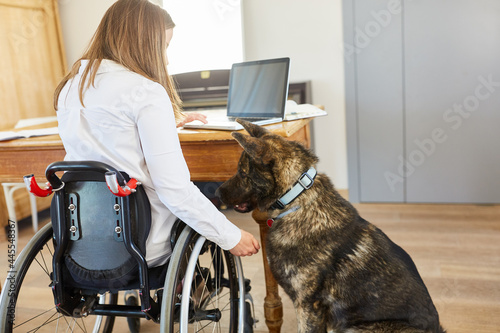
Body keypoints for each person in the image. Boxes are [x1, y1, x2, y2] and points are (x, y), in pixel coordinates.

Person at [54, 0, 260, 267]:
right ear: (142, 44)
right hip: (141, 239)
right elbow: (174, 191)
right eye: (163, 47)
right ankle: (185, 286)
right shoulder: (145, 91)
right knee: (199, 189)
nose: (166, 58)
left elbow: (106, 139)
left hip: (83, 238)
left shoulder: (70, 87)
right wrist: (231, 236)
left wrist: (164, 124)